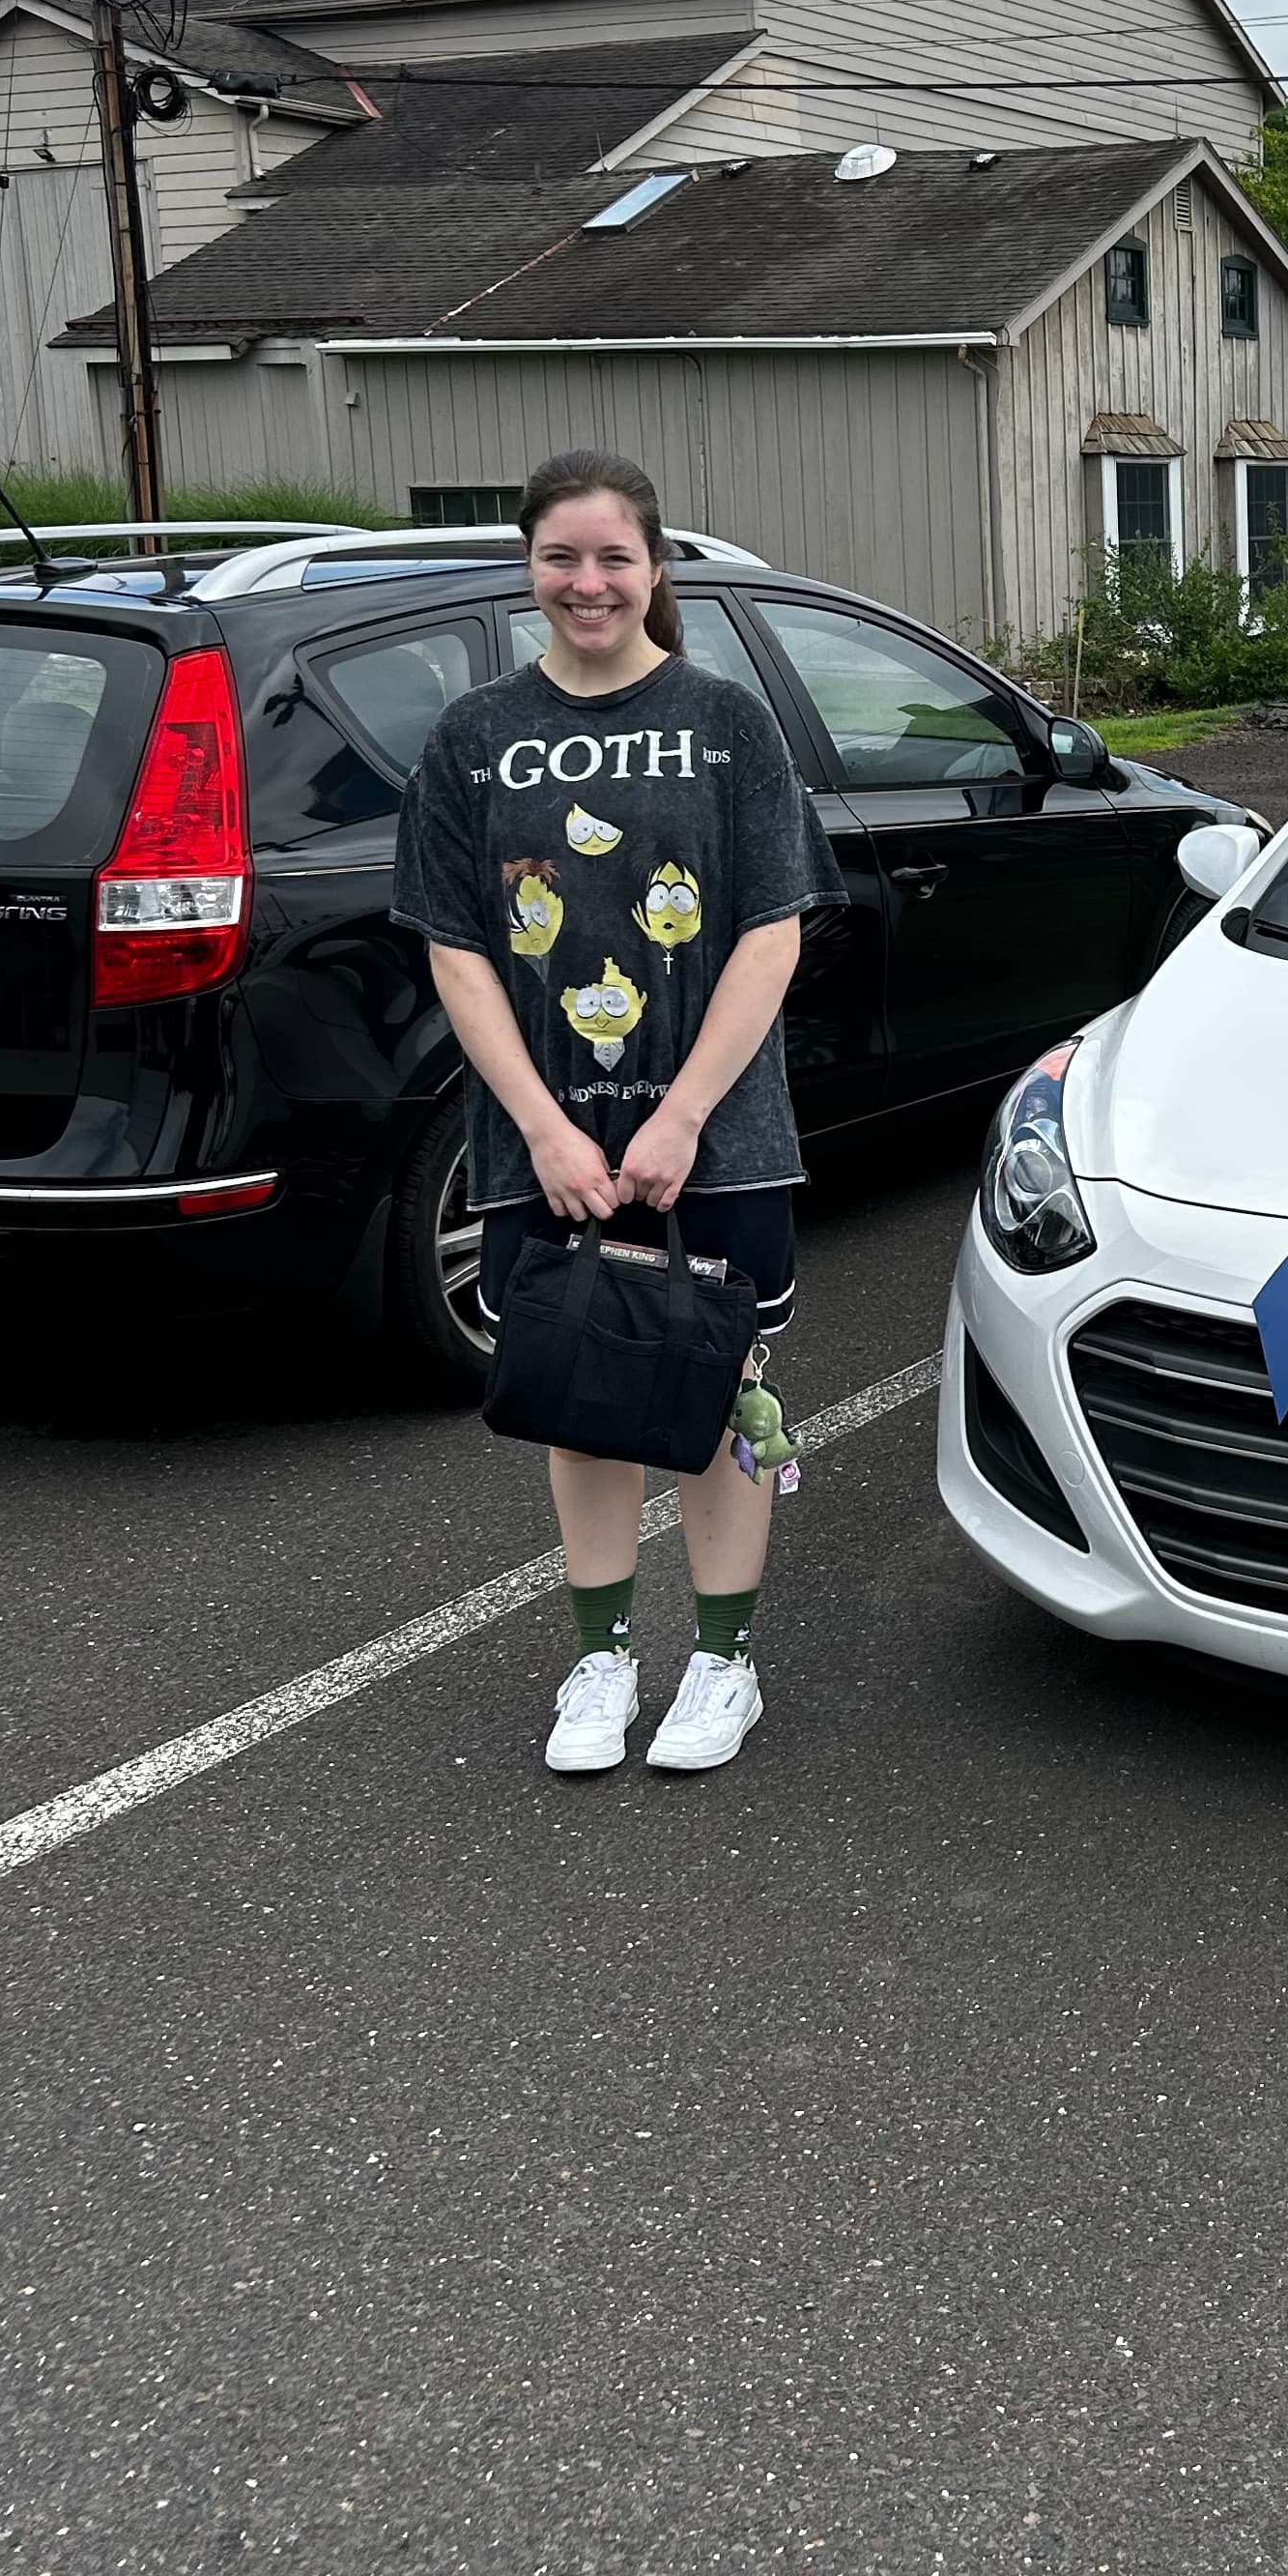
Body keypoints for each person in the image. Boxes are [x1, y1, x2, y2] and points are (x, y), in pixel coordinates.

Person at [395, 451, 844, 1778]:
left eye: (613, 557)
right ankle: (600, 1658)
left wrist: (683, 1116)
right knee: (583, 1398)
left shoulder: (724, 721)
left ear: (655, 569)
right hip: (548, 1137)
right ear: (529, 568)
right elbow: (458, 951)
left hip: (719, 1133)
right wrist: (541, 1125)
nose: (587, 582)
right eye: (561, 557)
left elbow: (770, 933)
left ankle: (723, 1662)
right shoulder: (474, 736)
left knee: (721, 1392)